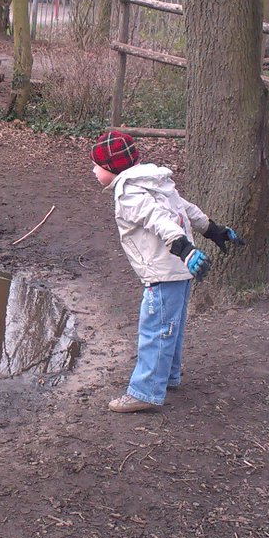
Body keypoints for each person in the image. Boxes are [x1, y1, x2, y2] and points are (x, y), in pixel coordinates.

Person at [90, 130, 245, 413]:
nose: (93, 170)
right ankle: (169, 376)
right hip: (178, 271)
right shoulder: (156, 183)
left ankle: (145, 390)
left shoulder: (129, 194)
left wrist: (184, 249)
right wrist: (214, 231)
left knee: (155, 329)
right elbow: (186, 210)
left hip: (165, 271)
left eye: (97, 165)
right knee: (171, 325)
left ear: (113, 167)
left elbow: (159, 220)